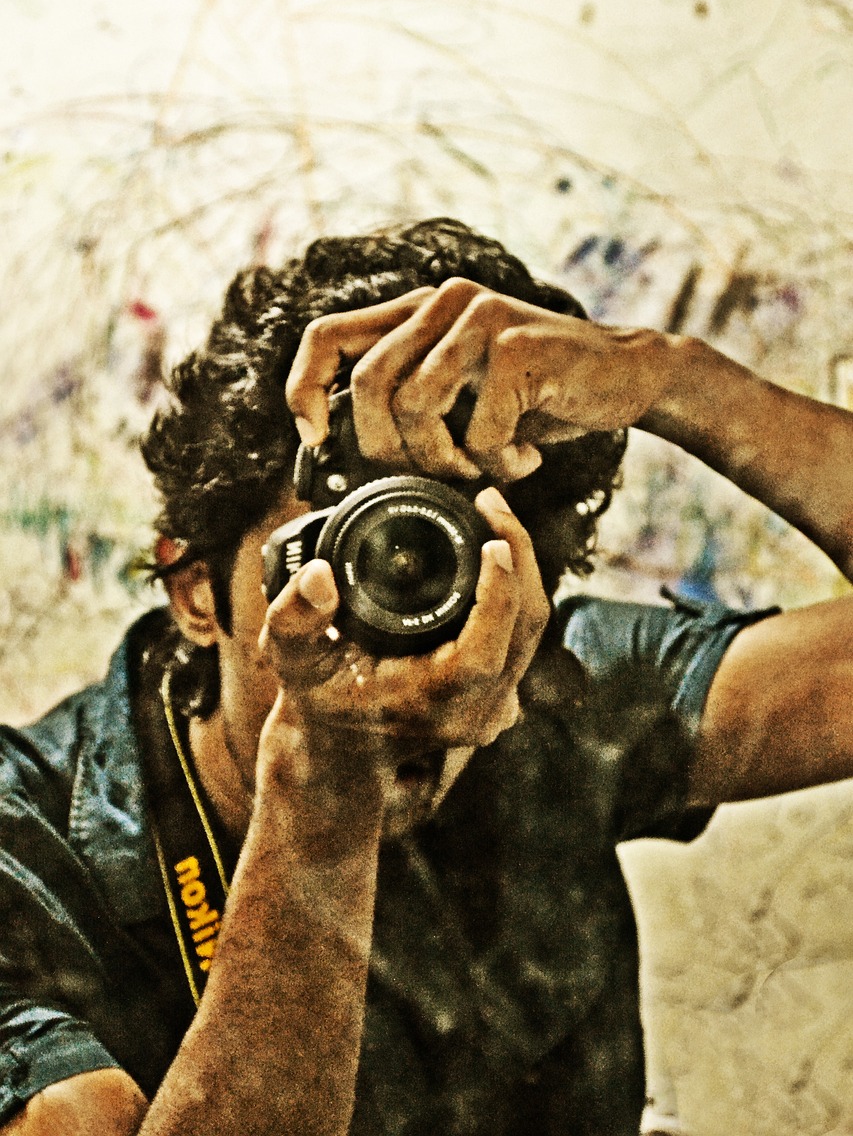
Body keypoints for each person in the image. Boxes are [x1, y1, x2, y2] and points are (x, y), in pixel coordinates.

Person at [0, 218, 851, 1136]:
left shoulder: (558, 690)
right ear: (196, 589)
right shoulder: (27, 855)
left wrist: (676, 380)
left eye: (440, 562)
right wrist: (321, 789)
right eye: (334, 563)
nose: (410, 649)